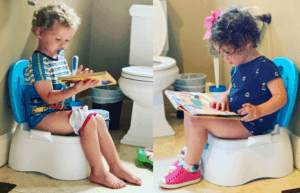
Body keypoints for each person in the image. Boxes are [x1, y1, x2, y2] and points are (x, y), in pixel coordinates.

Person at [158, 6, 287, 189]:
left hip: (251, 124)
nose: (225, 58)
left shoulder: (265, 66)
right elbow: (233, 89)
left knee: (198, 122)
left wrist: (258, 110)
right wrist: (224, 97)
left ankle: (190, 170)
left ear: (248, 42)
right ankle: (189, 155)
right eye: (222, 52)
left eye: (228, 52)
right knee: (189, 111)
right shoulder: (237, 65)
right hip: (236, 117)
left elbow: (281, 97)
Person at [24, 2, 142, 189]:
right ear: (40, 33)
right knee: (87, 120)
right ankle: (98, 171)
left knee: (98, 119)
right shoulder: (39, 61)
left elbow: (60, 83)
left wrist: (77, 80)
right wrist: (76, 89)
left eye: (67, 40)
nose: (63, 45)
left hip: (57, 111)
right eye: (58, 39)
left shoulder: (57, 56)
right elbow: (47, 96)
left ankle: (116, 166)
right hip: (41, 116)